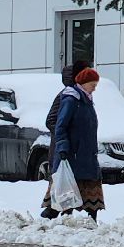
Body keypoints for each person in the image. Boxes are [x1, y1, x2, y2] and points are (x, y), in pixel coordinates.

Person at [50, 66, 106, 221]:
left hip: (87, 153)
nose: (95, 88)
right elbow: (60, 125)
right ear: (84, 82)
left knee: (90, 186)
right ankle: (61, 217)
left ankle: (91, 218)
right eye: (93, 84)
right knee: (69, 185)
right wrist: (62, 146)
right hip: (73, 153)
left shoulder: (86, 100)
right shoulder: (71, 99)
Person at [38, 61, 85, 219]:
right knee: (62, 182)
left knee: (69, 184)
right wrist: (65, 135)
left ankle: (62, 215)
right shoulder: (65, 96)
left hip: (74, 148)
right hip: (62, 148)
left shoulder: (81, 95)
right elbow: (51, 121)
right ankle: (54, 216)